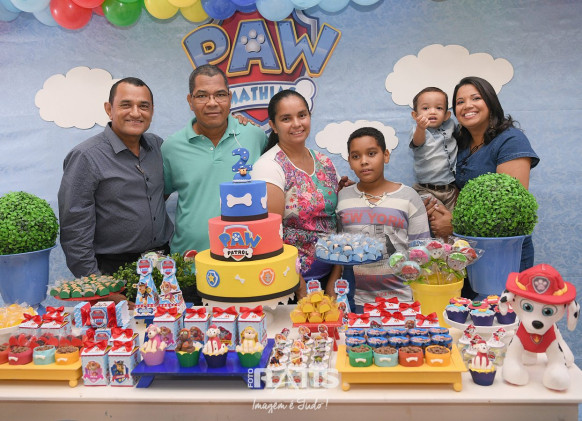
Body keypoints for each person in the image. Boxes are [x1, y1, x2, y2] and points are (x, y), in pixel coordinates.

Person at [58, 77, 173, 278]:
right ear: (109, 109)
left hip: (163, 265)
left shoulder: (158, 146)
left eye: (143, 106)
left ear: (152, 111)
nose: (135, 113)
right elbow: (75, 231)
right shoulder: (86, 156)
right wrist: (98, 284)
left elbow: (160, 193)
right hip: (113, 272)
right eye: (126, 105)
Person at [426, 76, 540, 272]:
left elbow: (509, 209)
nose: (467, 106)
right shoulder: (460, 144)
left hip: (503, 253)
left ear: (490, 102)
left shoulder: (511, 140)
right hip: (465, 251)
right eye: (460, 102)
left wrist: (454, 225)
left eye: (476, 98)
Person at [162, 65, 268, 255]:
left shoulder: (255, 136)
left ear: (230, 98)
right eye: (202, 96)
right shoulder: (171, 147)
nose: (212, 103)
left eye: (220, 95)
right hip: (190, 261)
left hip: (246, 257)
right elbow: (157, 198)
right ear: (190, 101)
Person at [252, 90, 342, 298]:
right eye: (286, 119)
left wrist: (334, 281)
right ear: (273, 126)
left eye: (302, 115)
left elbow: (337, 224)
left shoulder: (325, 162)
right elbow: (270, 236)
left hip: (330, 280)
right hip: (288, 286)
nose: (296, 124)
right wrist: (301, 288)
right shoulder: (268, 167)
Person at [336, 127, 430, 306]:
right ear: (349, 161)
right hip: (355, 301)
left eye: (371, 153)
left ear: (386, 155)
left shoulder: (409, 197)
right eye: (356, 156)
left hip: (403, 300)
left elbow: (421, 252)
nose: (364, 161)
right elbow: (339, 249)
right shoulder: (342, 198)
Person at [409, 87, 458, 211]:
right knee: (439, 216)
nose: (432, 112)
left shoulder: (451, 125)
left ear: (446, 115)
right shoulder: (418, 131)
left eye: (439, 108)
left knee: (452, 219)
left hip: (450, 189)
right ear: (415, 115)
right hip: (426, 190)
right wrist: (421, 128)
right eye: (425, 108)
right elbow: (417, 142)